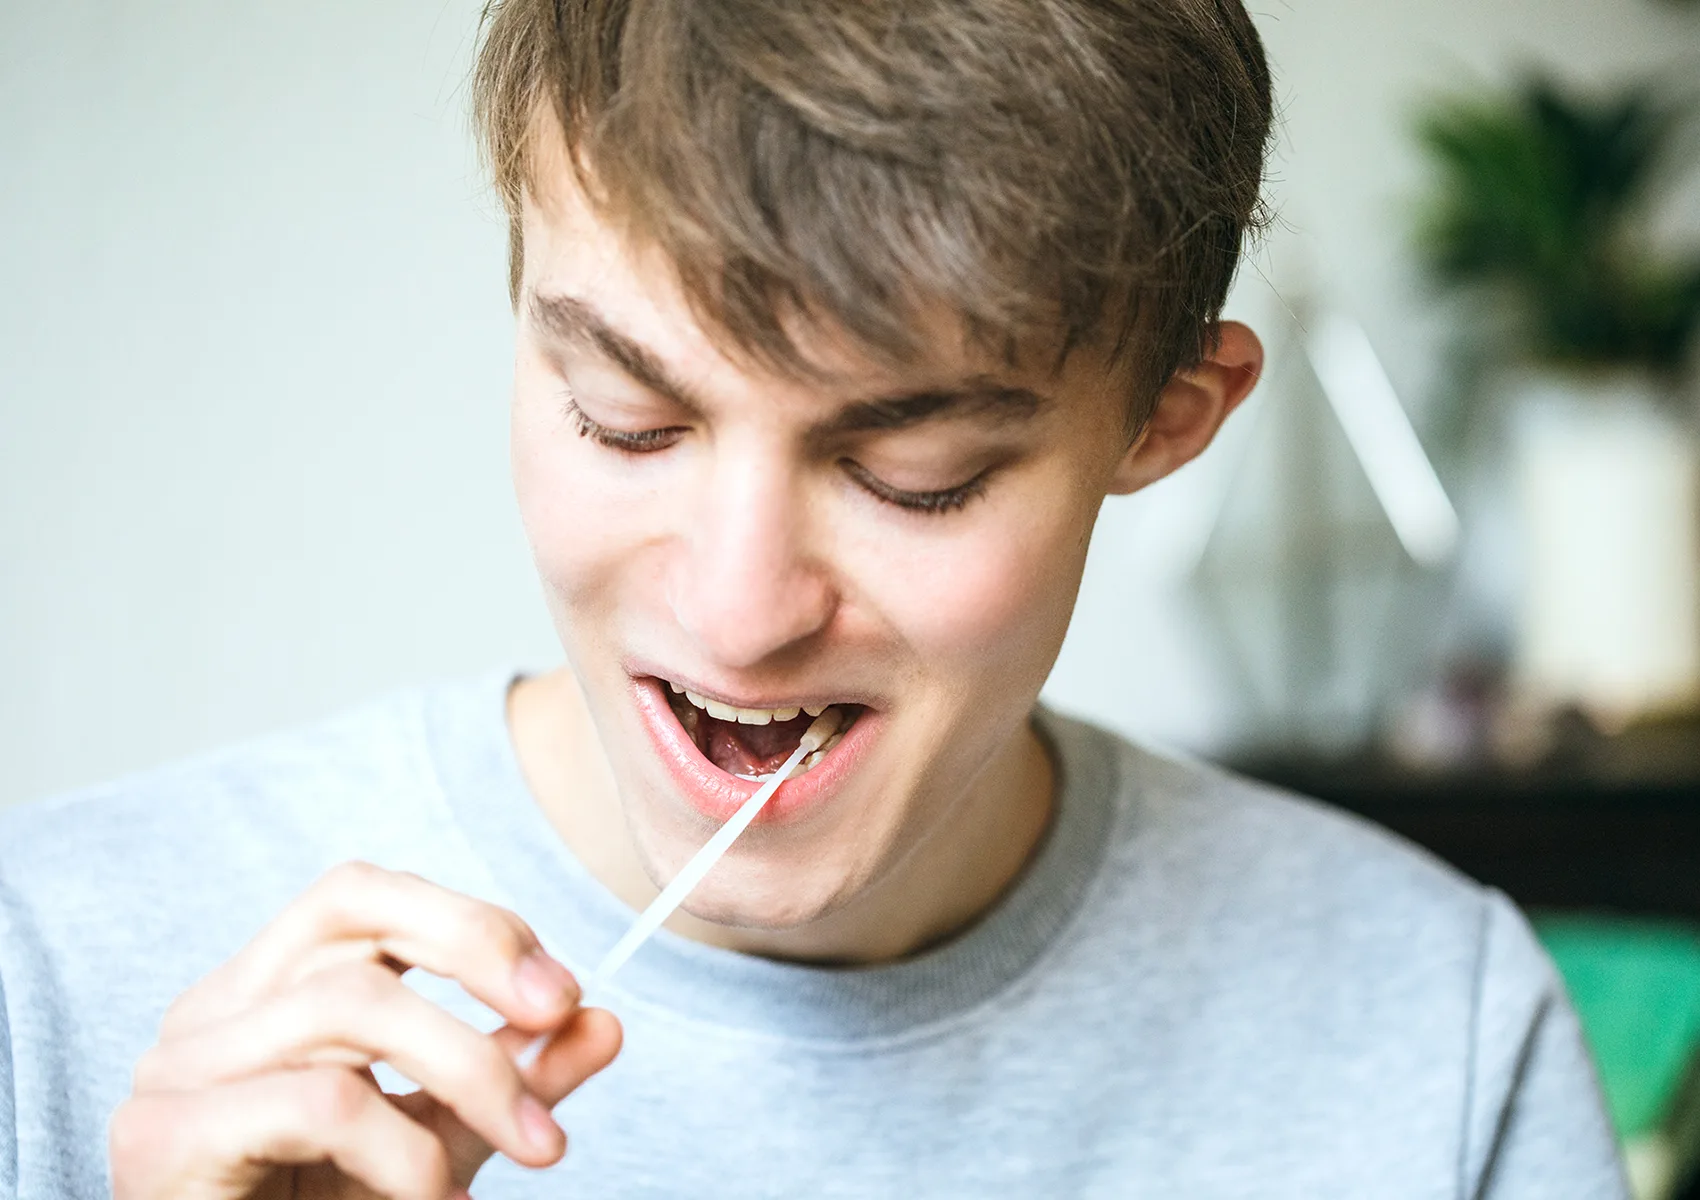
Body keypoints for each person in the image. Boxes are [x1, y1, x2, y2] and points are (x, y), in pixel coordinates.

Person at [0, 0, 1628, 1197]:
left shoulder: (1436, 1041)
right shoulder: (58, 982)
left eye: (914, 472)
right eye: (625, 420)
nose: (736, 611)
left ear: (1161, 421)